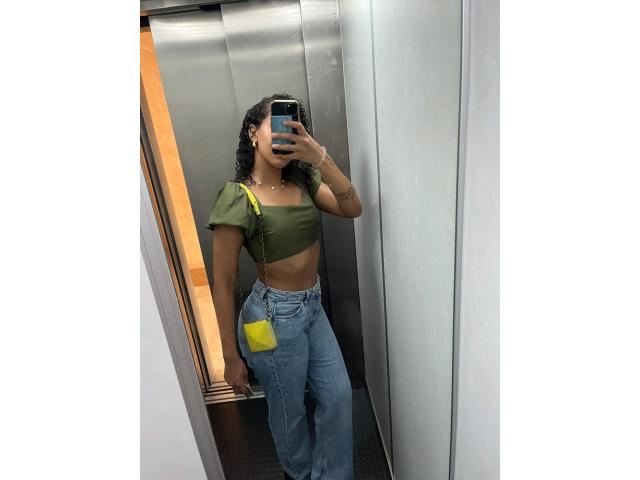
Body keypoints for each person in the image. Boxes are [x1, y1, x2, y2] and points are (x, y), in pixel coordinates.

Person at [206, 92, 363, 480]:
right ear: (252, 132)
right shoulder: (237, 197)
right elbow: (223, 283)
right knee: (288, 410)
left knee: (338, 396)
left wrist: (319, 157)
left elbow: (352, 207)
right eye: (274, 127)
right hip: (273, 317)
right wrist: (229, 357)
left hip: (311, 306)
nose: (283, 137)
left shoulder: (305, 180)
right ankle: (301, 475)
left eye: (292, 130)